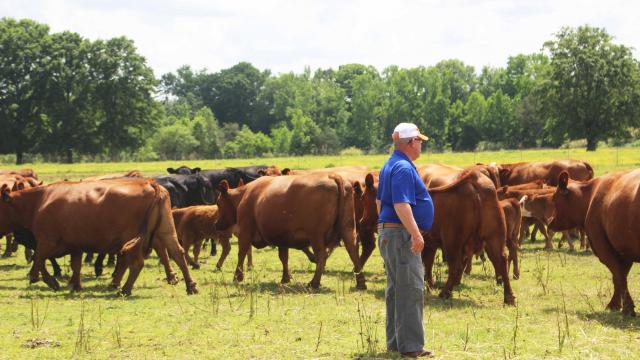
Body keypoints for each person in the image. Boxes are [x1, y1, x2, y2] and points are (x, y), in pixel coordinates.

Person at [376, 122, 435, 358]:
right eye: (419, 140)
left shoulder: (390, 165)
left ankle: (396, 342)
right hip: (401, 235)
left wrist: (383, 229)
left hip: (391, 232)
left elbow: (379, 202)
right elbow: (401, 204)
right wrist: (415, 232)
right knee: (410, 288)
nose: (421, 144)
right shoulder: (403, 167)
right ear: (411, 142)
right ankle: (411, 347)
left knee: (396, 289)